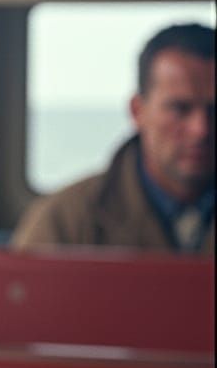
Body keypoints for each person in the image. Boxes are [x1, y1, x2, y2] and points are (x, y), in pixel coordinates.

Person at [12, 22, 215, 253]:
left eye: (215, 110)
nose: (201, 129)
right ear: (138, 111)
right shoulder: (64, 222)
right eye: (180, 108)